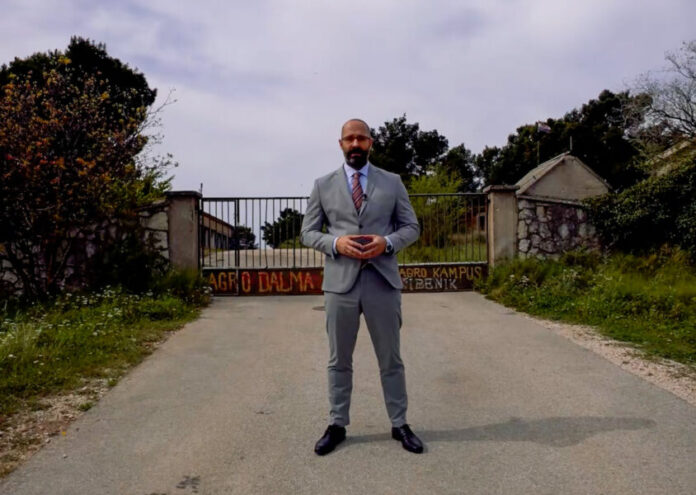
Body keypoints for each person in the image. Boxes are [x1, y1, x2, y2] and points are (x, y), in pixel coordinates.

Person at [300, 118, 424, 455]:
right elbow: (307, 232)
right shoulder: (323, 185)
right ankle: (337, 424)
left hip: (382, 281)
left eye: (362, 138)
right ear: (340, 144)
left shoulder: (392, 182)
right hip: (340, 285)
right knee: (338, 359)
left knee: (391, 359)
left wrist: (387, 242)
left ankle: (400, 423)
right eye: (349, 139)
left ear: (371, 143)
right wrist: (335, 243)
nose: (355, 144)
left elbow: (411, 227)